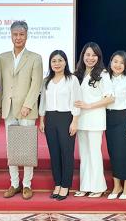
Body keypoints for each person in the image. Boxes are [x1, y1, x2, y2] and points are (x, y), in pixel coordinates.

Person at [0, 20, 43, 200]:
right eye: (15, 34)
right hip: (8, 109)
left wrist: (28, 105)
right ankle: (14, 183)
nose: (18, 37)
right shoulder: (2, 57)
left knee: (27, 147)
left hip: (26, 110)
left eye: (21, 34)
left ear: (27, 35)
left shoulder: (35, 58)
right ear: (11, 35)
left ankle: (27, 184)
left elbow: (36, 83)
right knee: (12, 148)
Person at [38, 50, 81, 201]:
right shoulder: (46, 81)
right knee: (54, 153)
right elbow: (42, 101)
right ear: (50, 64)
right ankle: (57, 183)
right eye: (54, 61)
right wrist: (42, 120)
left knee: (66, 153)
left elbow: (76, 100)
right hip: (50, 118)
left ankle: (65, 185)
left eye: (60, 60)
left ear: (65, 62)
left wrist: (75, 121)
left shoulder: (72, 79)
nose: (57, 63)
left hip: (66, 118)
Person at [73, 42, 114, 198]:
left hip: (95, 119)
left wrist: (89, 105)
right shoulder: (78, 74)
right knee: (84, 154)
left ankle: (98, 187)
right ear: (83, 56)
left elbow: (109, 98)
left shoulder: (103, 74)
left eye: (94, 55)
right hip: (80, 120)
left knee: (94, 153)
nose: (90, 58)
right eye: (87, 54)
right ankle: (85, 186)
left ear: (98, 57)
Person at [105, 51, 126, 200]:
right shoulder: (105, 78)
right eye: (115, 61)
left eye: (121, 62)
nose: (118, 65)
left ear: (125, 65)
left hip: (124, 117)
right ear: (111, 62)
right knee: (112, 152)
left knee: (123, 153)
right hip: (108, 117)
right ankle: (116, 185)